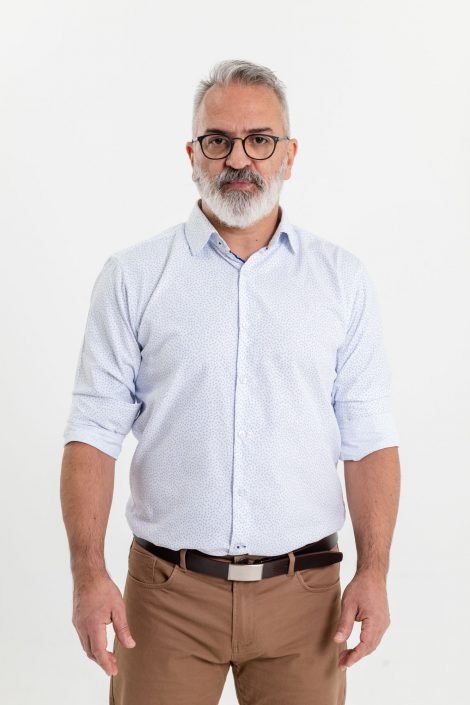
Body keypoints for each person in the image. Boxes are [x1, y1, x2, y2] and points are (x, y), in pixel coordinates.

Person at [60, 59, 401, 705]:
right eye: (218, 140)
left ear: (290, 154)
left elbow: (369, 438)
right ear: (193, 155)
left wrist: (375, 572)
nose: (239, 158)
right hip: (165, 598)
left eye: (260, 140)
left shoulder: (341, 280)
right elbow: (93, 432)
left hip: (307, 598)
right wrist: (87, 575)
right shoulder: (134, 276)